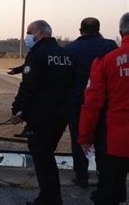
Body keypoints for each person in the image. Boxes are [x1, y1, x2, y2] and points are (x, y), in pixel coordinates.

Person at [10, 20, 74, 205]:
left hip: (41, 115)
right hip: (61, 115)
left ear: (40, 34)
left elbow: (28, 85)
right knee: (47, 154)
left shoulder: (36, 54)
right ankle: (51, 196)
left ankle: (50, 198)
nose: (27, 36)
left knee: (42, 156)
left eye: (29, 32)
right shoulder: (65, 54)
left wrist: (18, 110)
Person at [78, 12, 129, 205]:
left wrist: (85, 137)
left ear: (121, 32)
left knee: (108, 194)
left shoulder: (105, 61)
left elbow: (92, 103)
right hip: (115, 139)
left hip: (115, 141)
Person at [64, 17, 117, 188]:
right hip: (104, 102)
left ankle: (81, 177)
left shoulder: (70, 48)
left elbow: (66, 79)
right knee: (103, 140)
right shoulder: (109, 46)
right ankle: (104, 176)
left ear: (80, 31)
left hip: (77, 101)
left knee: (79, 140)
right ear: (99, 29)